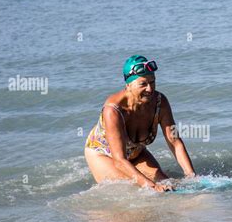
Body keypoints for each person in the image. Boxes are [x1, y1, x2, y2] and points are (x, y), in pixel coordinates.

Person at [84, 55, 196, 192]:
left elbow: (175, 142)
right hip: (104, 155)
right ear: (128, 85)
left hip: (136, 152)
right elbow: (119, 160)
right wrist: (153, 186)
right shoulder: (113, 110)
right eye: (143, 84)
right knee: (134, 190)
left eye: (152, 82)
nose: (150, 89)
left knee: (167, 183)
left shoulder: (160, 102)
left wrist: (191, 176)